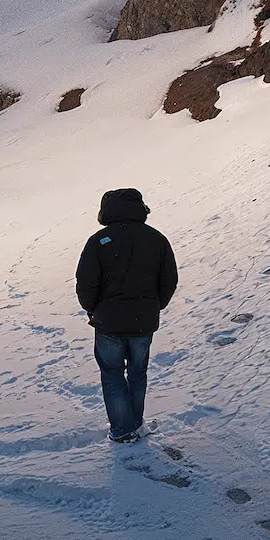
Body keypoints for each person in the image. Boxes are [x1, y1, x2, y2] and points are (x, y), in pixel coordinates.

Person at [76, 187, 179, 440]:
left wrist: (92, 309)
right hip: (143, 323)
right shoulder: (156, 239)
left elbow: (86, 282)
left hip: (108, 323)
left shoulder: (98, 241)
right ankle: (135, 423)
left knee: (112, 375)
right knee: (137, 373)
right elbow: (169, 280)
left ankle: (123, 430)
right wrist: (154, 306)